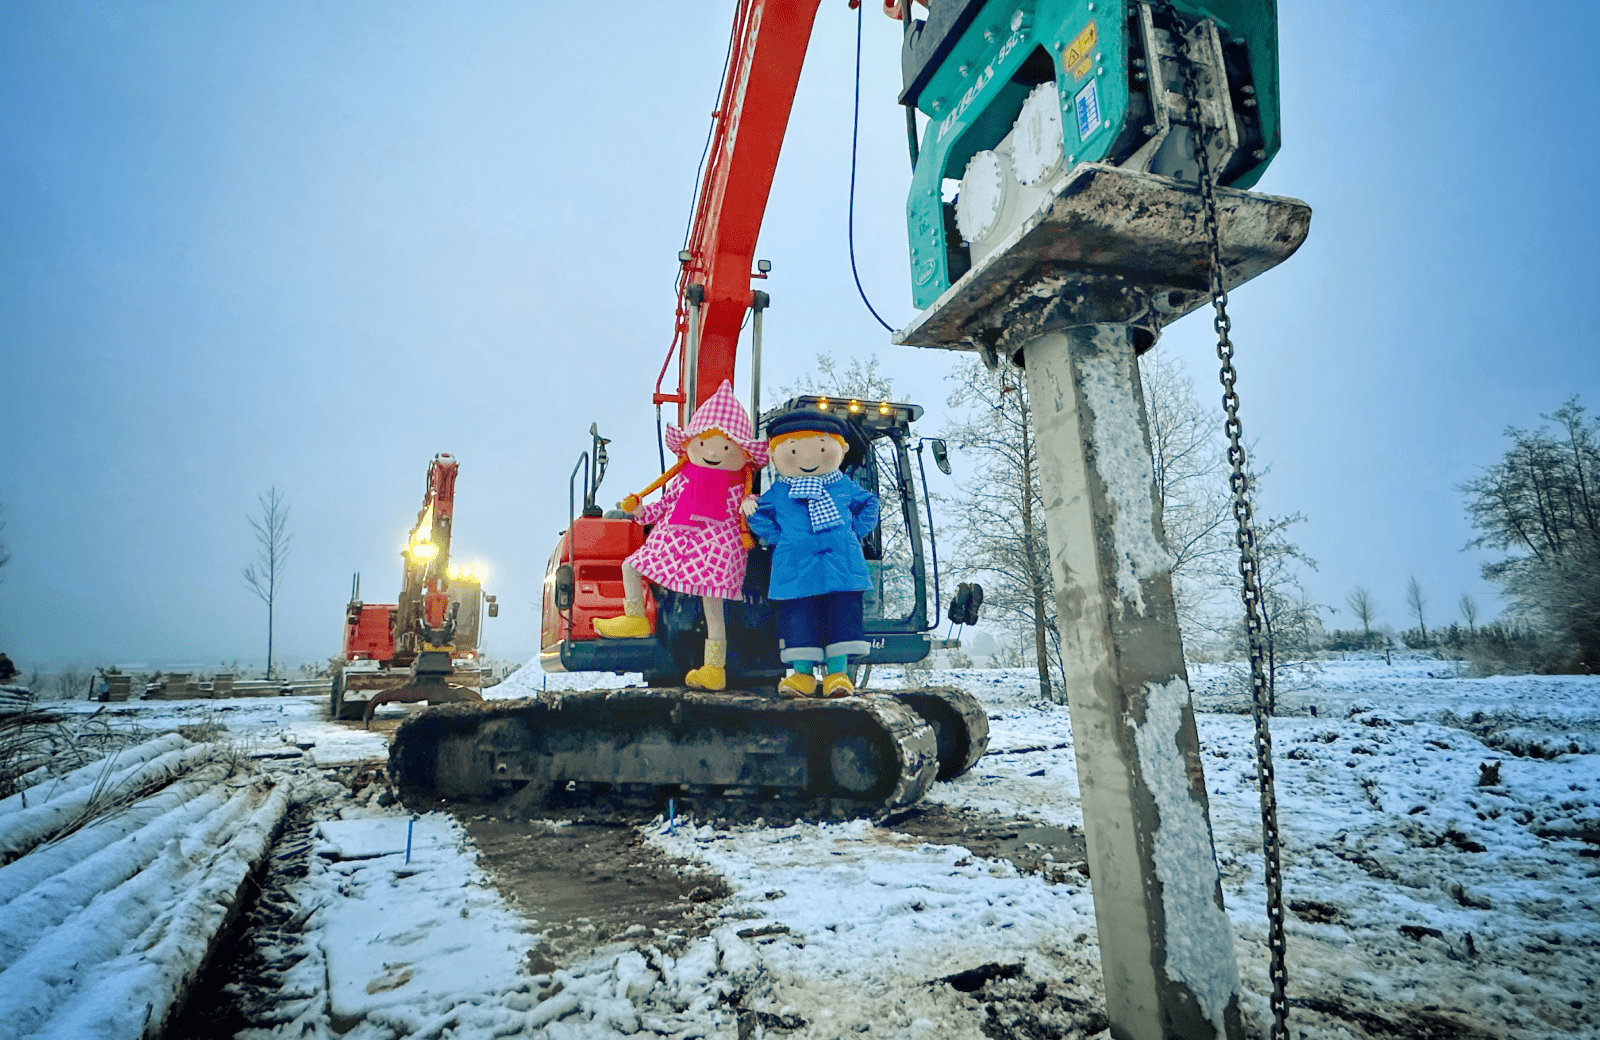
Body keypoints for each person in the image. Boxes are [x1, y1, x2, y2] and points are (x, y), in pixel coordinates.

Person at [592, 380, 767, 692]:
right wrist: (641, 511)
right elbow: (664, 506)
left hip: (714, 545)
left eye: (726, 448)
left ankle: (714, 668)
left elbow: (745, 512)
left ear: (740, 453)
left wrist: (751, 505)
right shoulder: (683, 479)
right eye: (705, 445)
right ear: (692, 445)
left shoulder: (738, 485)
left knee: (714, 606)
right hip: (674, 539)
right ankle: (635, 618)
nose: (714, 453)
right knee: (631, 566)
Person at [744, 410, 879, 697]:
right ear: (775, 452)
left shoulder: (842, 485)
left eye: (820, 448)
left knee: (841, 618)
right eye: (793, 450)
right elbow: (760, 516)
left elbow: (870, 504)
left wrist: (853, 531)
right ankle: (802, 675)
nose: (807, 458)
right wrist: (779, 537)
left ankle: (838, 674)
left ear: (838, 449)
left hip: (841, 567)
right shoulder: (780, 491)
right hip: (796, 568)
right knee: (799, 618)